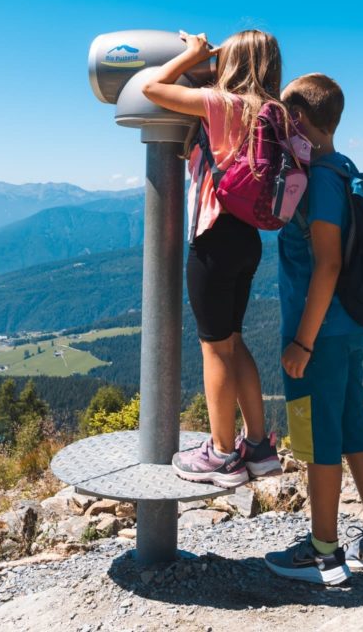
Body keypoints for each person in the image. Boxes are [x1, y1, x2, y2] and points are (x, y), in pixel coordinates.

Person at [264, 73, 363, 584]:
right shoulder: (345, 169)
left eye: (285, 119)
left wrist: (301, 341)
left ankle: (324, 552)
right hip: (348, 329)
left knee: (315, 438)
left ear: (300, 120)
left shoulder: (321, 180)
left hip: (318, 337)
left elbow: (326, 263)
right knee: (354, 430)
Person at [142, 29, 284, 487]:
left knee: (214, 348)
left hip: (214, 235)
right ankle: (258, 447)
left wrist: (190, 56)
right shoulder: (272, 111)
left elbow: (151, 88)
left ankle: (222, 454)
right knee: (235, 340)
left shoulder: (221, 103)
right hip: (248, 239)